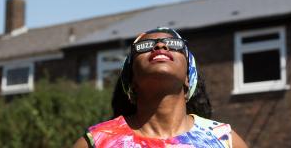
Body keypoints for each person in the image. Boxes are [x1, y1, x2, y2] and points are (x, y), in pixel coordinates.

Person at [74, 27, 248, 148]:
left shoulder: (225, 140)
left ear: (188, 77)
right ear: (131, 80)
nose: (160, 46)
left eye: (173, 44)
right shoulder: (98, 141)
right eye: (145, 47)